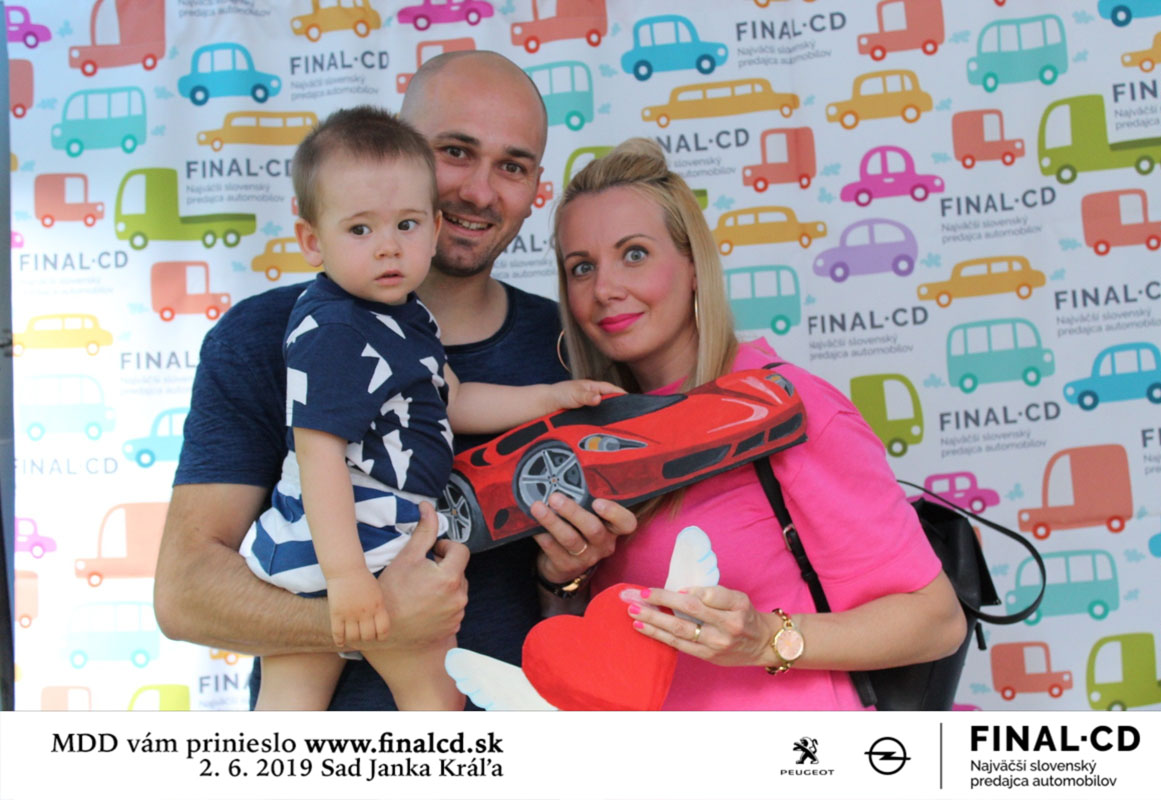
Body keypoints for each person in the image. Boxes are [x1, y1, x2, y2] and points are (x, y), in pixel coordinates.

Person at [154, 51, 635, 711]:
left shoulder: (572, 347)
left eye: (512, 166)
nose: (480, 192)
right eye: (456, 152)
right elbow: (184, 595)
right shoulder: (270, 334)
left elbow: (598, 622)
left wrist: (566, 579)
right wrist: (372, 620)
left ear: (535, 187)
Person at [551, 138, 967, 710]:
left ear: (693, 266)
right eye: (582, 268)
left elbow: (937, 620)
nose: (605, 289)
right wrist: (562, 577)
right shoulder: (588, 438)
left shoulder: (784, 407)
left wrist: (766, 638)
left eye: (635, 254)